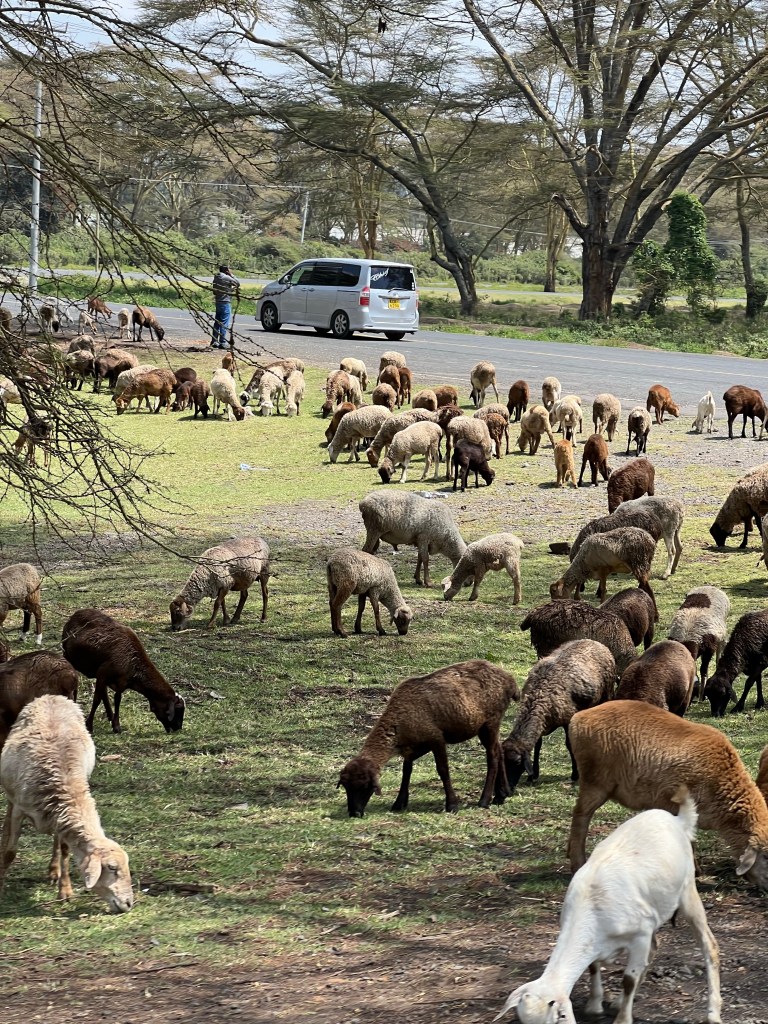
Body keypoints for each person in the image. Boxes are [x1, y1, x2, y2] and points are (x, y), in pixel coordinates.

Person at [211, 264, 240, 349]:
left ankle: (214, 341)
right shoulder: (226, 278)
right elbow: (237, 283)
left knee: (217, 322)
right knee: (224, 323)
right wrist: (231, 275)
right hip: (225, 302)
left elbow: (214, 291)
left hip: (218, 302)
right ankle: (222, 342)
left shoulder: (216, 278)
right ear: (226, 270)